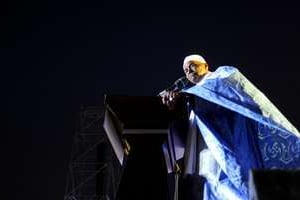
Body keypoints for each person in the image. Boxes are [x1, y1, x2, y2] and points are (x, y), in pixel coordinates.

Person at [160, 54, 300, 200]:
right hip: (204, 149)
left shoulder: (223, 74)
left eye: (192, 65)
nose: (188, 70)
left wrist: (184, 95)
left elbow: (225, 94)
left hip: (230, 142)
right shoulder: (191, 96)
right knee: (210, 185)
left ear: (206, 65)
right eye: (185, 70)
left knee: (236, 185)